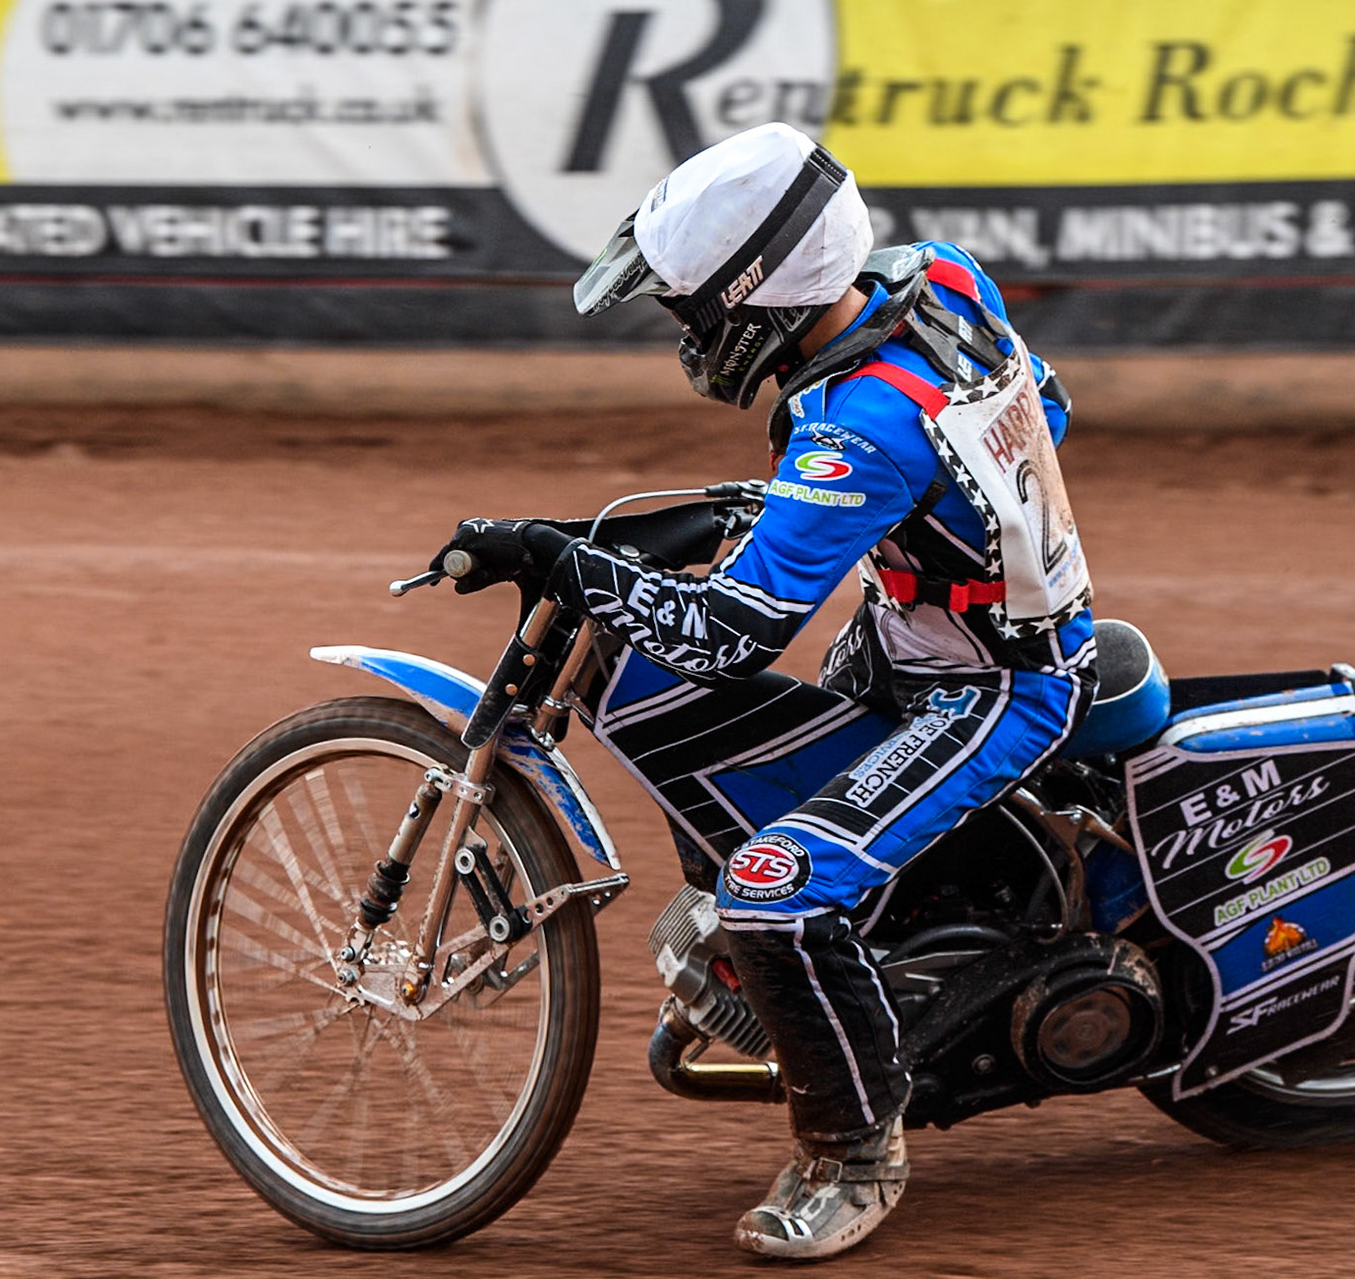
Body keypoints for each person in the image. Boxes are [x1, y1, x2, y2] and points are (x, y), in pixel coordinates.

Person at [431, 121, 1095, 1260]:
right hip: (921, 634)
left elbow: (727, 634)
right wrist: (803, 507)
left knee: (775, 883)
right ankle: (850, 981)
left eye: (694, 314)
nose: (686, 336)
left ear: (760, 305)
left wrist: (565, 557)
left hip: (991, 690)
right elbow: (1049, 403)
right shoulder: (936, 279)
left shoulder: (860, 428)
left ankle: (854, 1152)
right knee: (742, 785)